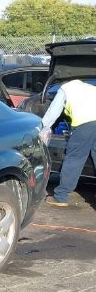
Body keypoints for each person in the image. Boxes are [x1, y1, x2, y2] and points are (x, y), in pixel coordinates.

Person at [40, 79, 96, 207]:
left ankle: (61, 196)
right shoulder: (89, 87)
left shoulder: (65, 89)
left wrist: (42, 127)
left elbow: (52, 113)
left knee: (74, 158)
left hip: (84, 124)